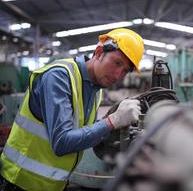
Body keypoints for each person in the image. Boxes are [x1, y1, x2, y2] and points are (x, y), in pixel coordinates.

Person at [0, 28, 144, 191]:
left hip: (53, 185)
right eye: (117, 63)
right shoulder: (59, 77)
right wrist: (112, 121)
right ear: (98, 52)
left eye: (125, 70)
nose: (118, 75)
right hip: (20, 181)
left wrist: (116, 127)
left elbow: (80, 128)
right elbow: (62, 142)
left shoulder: (97, 88)